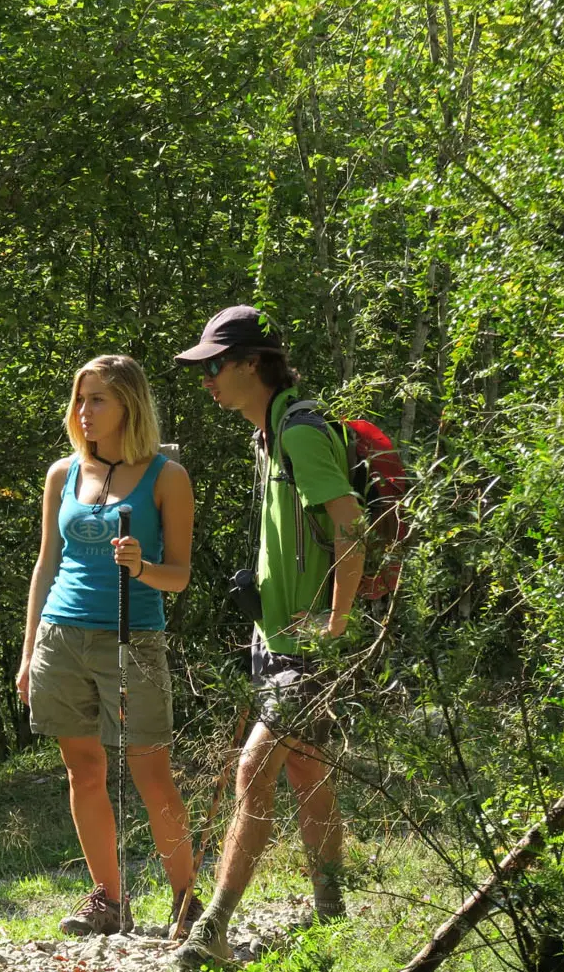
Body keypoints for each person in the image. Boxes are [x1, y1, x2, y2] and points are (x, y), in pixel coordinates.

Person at [169, 307, 365, 969]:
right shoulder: (269, 432)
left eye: (216, 366)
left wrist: (335, 625)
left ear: (253, 363)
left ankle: (213, 928)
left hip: (307, 647)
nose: (208, 381)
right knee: (310, 773)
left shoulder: (300, 433)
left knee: (255, 768)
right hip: (275, 639)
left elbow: (350, 526)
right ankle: (334, 922)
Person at [18, 354, 202, 938]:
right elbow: (46, 565)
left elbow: (179, 575)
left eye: (97, 399)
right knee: (83, 771)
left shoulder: (166, 477)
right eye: (80, 399)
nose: (84, 411)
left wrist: (141, 566)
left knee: (151, 772)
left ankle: (187, 900)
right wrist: (28, 654)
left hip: (133, 639)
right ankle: (108, 899)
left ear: (130, 404)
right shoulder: (62, 473)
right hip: (61, 636)